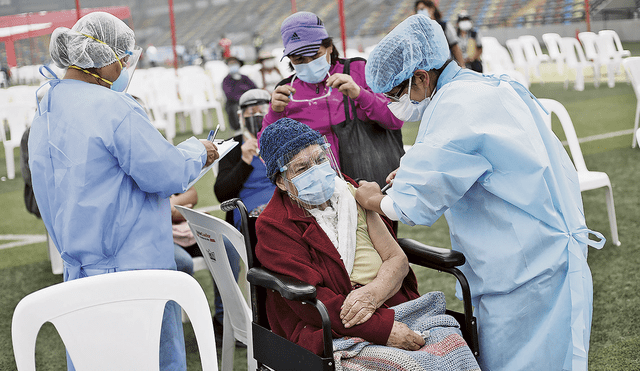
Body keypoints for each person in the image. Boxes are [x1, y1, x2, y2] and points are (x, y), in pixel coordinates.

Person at [357, 14, 605, 371]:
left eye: (397, 93)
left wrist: (371, 199)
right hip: (543, 250)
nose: (397, 103)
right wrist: (415, 173)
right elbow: (472, 163)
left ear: (422, 77)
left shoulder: (456, 107)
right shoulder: (482, 86)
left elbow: (409, 207)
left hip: (525, 269)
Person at [28, 12, 219, 371]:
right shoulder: (114, 108)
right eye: (123, 58)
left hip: (79, 274)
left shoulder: (45, 111)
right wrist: (200, 151)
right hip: (133, 270)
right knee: (153, 360)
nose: (125, 67)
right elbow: (167, 173)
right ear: (102, 58)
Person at [255, 118, 480, 370]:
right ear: (281, 181)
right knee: (404, 365)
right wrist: (383, 330)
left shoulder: (353, 194)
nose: (316, 170)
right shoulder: (274, 224)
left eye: (319, 160)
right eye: (301, 167)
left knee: (453, 350)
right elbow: (311, 302)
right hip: (332, 324)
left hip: (393, 304)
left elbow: (396, 259)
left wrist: (373, 295)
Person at [259, 11, 403, 175]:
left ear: (329, 47)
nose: (309, 64)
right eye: (299, 60)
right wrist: (274, 113)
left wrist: (360, 94)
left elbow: (395, 120)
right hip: (321, 187)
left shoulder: (358, 70)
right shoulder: (285, 93)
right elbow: (266, 152)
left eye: (315, 55)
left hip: (374, 178)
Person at [414, 1, 466, 68]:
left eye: (422, 9)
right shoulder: (419, 30)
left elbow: (455, 47)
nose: (420, 12)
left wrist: (462, 65)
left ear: (431, 9)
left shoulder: (444, 26)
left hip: (446, 67)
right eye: (418, 10)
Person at [222, 56, 257, 131]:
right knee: (236, 108)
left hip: (250, 101)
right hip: (235, 103)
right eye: (231, 64)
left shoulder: (245, 78)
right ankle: (239, 128)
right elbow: (229, 94)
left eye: (235, 63)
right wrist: (243, 98)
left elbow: (254, 88)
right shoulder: (227, 80)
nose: (233, 66)